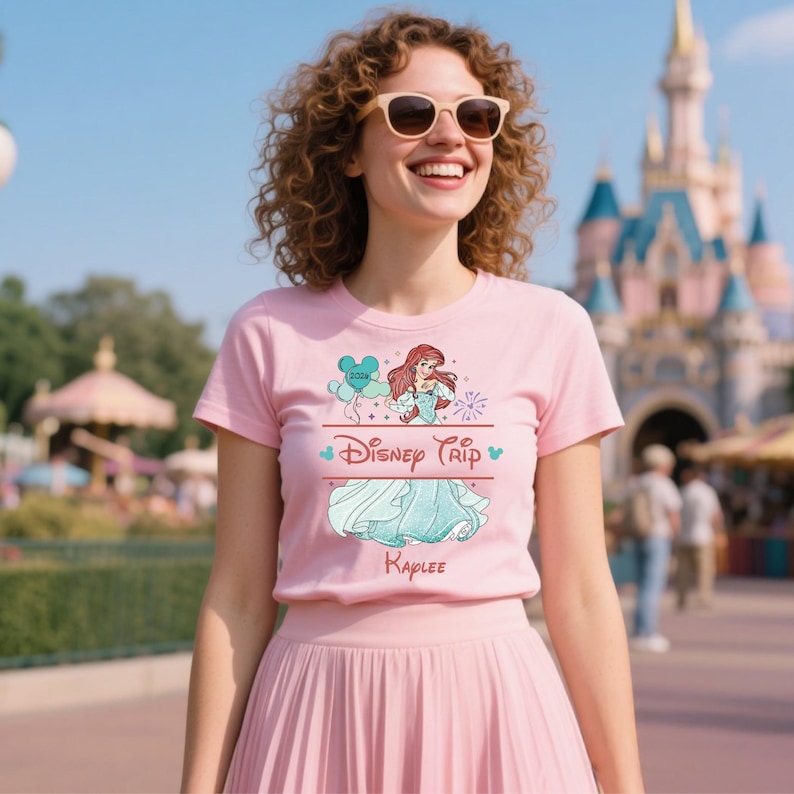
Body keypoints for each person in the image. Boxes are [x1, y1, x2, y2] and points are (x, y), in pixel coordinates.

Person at [181, 11, 644, 793]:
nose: (450, 136)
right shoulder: (268, 332)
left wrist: (625, 785)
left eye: (475, 116)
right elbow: (235, 597)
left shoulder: (554, 328)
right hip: (314, 714)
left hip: (499, 712)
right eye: (410, 113)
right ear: (349, 150)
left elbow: (584, 596)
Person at [630, 444, 682, 653]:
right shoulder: (663, 484)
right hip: (658, 537)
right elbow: (673, 514)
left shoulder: (637, 482)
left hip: (638, 536)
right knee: (653, 586)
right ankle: (648, 632)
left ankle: (637, 630)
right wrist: (676, 537)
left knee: (642, 585)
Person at [676, 462, 725, 609]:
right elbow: (716, 515)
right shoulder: (708, 491)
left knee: (683, 570)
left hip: (684, 536)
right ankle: (703, 598)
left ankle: (682, 599)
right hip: (703, 536)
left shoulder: (683, 491)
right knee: (705, 570)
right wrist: (719, 533)